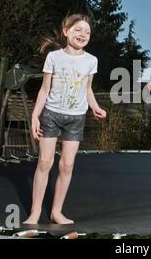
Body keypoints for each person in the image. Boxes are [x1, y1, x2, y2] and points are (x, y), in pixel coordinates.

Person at [23, 14, 107, 225]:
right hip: (51, 115)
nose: (83, 35)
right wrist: (35, 116)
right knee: (44, 162)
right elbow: (44, 90)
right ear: (66, 31)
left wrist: (96, 107)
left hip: (76, 118)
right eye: (78, 29)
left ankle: (56, 212)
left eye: (87, 32)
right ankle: (34, 213)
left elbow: (87, 89)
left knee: (67, 165)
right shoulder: (53, 57)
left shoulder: (91, 61)